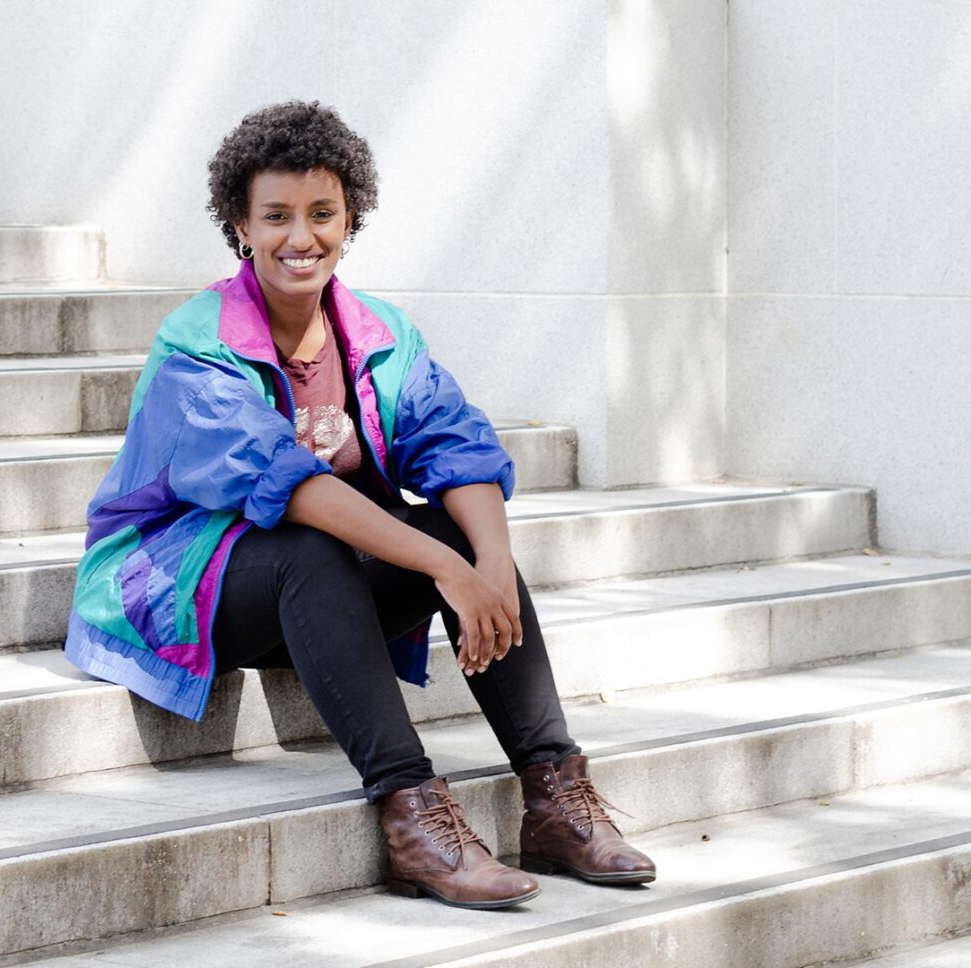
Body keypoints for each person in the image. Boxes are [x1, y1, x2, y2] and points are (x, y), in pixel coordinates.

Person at [64, 100, 653, 911]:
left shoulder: (376, 334)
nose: (299, 237)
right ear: (240, 224)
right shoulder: (196, 344)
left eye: (321, 213)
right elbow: (287, 485)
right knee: (322, 542)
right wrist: (448, 568)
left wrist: (485, 565)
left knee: (463, 528)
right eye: (275, 216)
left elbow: (455, 444)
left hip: (318, 599)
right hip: (187, 585)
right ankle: (414, 815)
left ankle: (554, 795)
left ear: (350, 218)